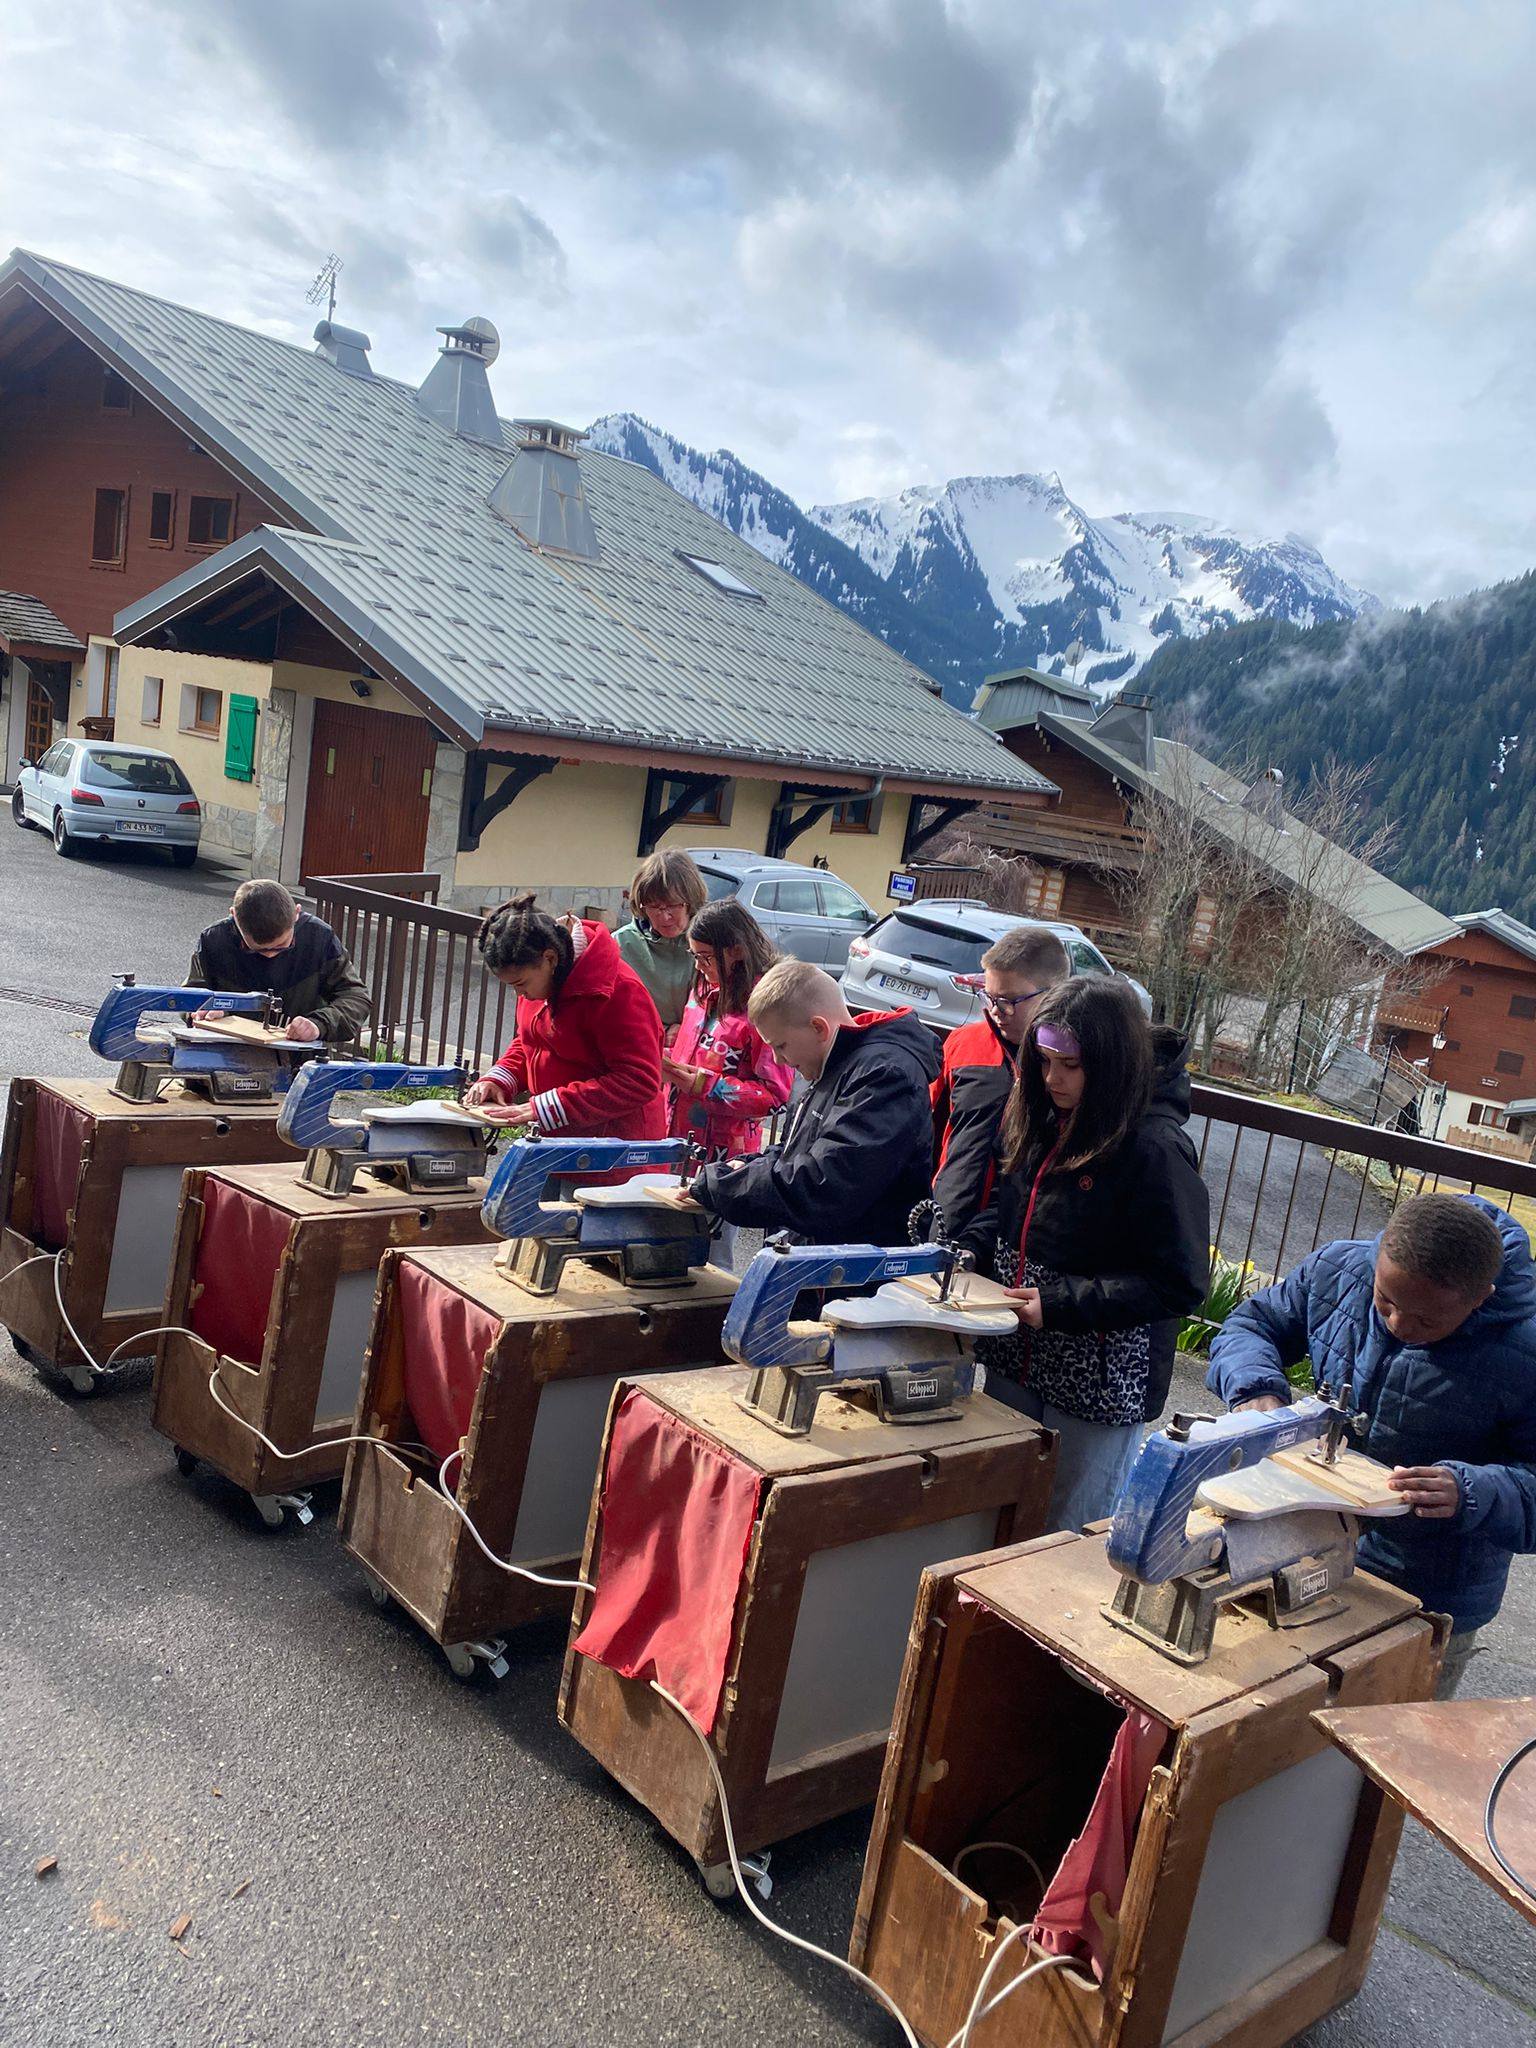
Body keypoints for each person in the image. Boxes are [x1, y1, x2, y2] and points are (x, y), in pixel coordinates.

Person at [1207, 1192, 1536, 1698]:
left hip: (1426, 1597)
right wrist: (1255, 1390)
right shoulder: (1340, 1269)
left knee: (1388, 1732)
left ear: (1481, 1298)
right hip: (1305, 1549)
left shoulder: (1526, 1353)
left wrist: (1472, 1491)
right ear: (1379, 1256)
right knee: (1275, 1718)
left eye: (1427, 1320)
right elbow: (1254, 1324)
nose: (1399, 1324)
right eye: (1385, 1301)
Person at [959, 977, 1208, 1531]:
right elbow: (1007, 1208)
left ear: (1111, 1063)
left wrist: (1061, 1304)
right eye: (1044, 1062)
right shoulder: (1038, 1112)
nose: (1053, 1078)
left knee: (1066, 1536)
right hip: (1014, 1357)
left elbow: (1180, 1282)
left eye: (1070, 1065)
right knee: (994, 1522)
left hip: (1098, 1386)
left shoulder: (1155, 1147)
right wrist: (971, 1251)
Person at [690, 959, 939, 1245]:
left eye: (780, 1045)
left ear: (818, 1027)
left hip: (856, 1264)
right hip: (818, 1254)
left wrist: (720, 1187)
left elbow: (827, 1184)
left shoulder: (885, 1075)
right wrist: (745, 1166)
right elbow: (793, 1152)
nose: (778, 1059)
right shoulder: (825, 1062)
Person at [464, 895, 665, 1138]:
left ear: (550, 959)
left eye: (521, 983)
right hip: (562, 1136)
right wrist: (499, 1079)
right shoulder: (542, 978)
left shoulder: (619, 991)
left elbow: (639, 1081)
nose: (519, 994)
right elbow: (531, 1040)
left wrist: (548, 1107)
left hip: (614, 1147)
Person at [930, 925, 1071, 1239]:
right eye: (989, 996)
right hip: (945, 1222)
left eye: (1008, 1000)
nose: (996, 1011)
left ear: (1053, 994)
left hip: (1017, 1238)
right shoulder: (963, 1043)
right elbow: (929, 1132)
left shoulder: (1069, 1068)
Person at [663, 901, 793, 1161]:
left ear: (737, 950)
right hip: (675, 1136)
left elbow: (776, 1096)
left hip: (724, 1153)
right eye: (694, 956)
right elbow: (691, 1054)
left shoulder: (765, 1007)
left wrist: (705, 1085)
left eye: (706, 957)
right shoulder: (702, 989)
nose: (698, 966)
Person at [188, 879, 370, 1045]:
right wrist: (203, 1010)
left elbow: (355, 997)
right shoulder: (214, 939)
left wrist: (319, 1024)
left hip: (300, 1058)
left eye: (282, 947)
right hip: (226, 1053)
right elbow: (190, 995)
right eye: (257, 950)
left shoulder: (319, 938)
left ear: (296, 913)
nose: (270, 956)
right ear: (234, 916)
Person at [612, 851, 708, 1042]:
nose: (664, 916)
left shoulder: (711, 941)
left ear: (691, 901)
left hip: (703, 1044)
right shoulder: (620, 945)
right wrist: (660, 1031)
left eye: (673, 905)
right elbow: (611, 1011)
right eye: (654, 906)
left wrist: (687, 1028)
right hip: (643, 1043)